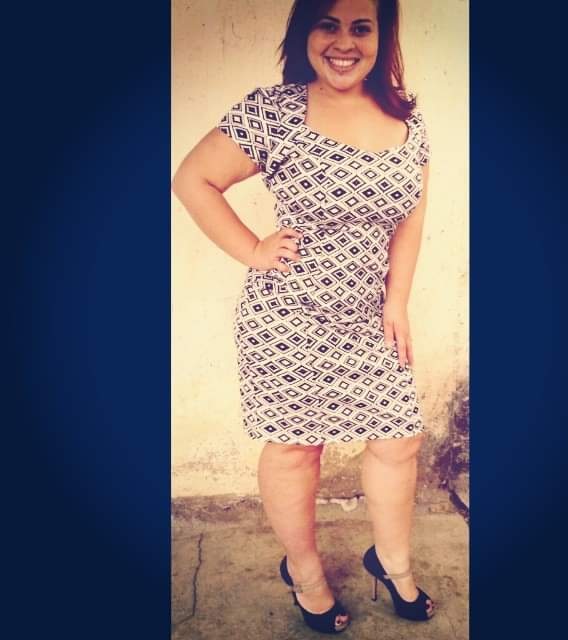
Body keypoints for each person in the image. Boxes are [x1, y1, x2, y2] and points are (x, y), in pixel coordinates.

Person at [172, 0, 435, 633]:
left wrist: (397, 300)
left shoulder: (407, 116)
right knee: (296, 448)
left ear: (382, 36)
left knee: (398, 438)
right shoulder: (275, 111)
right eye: (328, 23)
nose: (344, 42)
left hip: (369, 316)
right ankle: (305, 572)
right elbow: (193, 179)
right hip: (288, 317)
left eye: (361, 26)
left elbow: (411, 216)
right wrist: (253, 249)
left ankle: (391, 560)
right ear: (305, 33)